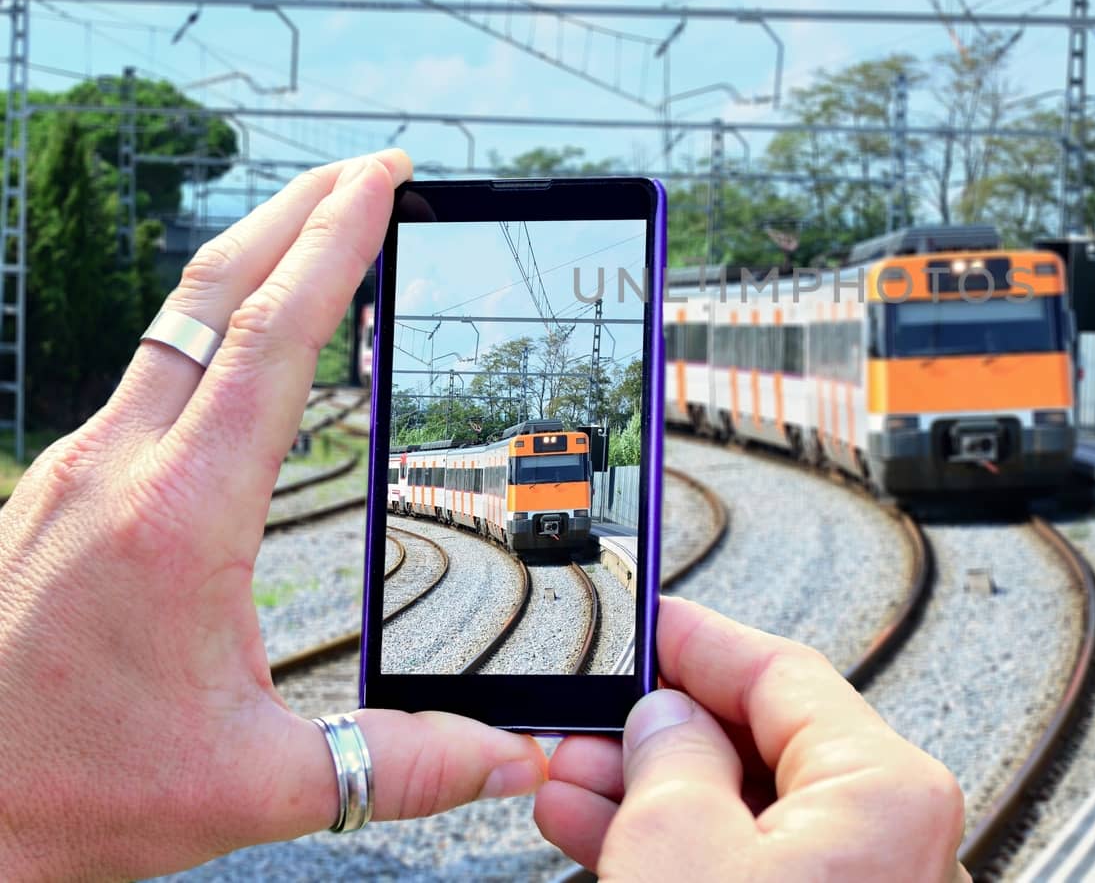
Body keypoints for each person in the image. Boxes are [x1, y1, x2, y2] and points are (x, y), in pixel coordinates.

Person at [0, 151, 968, 882]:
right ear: (506, 483)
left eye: (563, 473)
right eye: (536, 476)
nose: (553, 485)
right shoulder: (499, 478)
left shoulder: (530, 482)